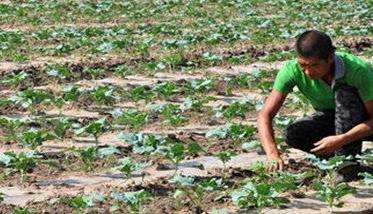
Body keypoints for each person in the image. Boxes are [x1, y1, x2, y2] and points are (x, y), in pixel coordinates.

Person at [257, 30, 373, 179]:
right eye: (302, 65)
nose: (308, 72)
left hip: (365, 121)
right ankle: (345, 162)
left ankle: (346, 165)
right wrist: (272, 154)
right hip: (334, 119)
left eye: (314, 65)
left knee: (344, 95)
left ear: (330, 57)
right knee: (295, 133)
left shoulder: (357, 70)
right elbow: (264, 115)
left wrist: (342, 139)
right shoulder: (291, 71)